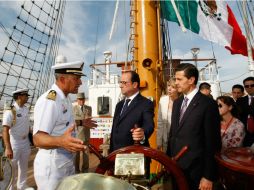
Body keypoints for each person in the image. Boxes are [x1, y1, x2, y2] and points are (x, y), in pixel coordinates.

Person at [33, 55, 97, 190]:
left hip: (65, 162)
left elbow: (63, 124)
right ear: (62, 79)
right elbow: (37, 139)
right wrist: (61, 141)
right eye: (76, 78)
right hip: (52, 167)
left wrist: (80, 122)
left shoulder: (65, 98)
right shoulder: (50, 100)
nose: (80, 82)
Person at [167, 63, 221, 190]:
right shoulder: (177, 102)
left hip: (197, 170)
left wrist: (208, 176)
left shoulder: (208, 104)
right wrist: (168, 161)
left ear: (191, 80)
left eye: (179, 79)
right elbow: (173, 134)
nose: (176, 83)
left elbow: (212, 142)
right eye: (175, 79)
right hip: (176, 166)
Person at [110, 70, 154, 152]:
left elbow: (149, 125)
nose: (120, 85)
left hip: (135, 155)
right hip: (116, 155)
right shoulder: (119, 105)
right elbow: (114, 130)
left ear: (135, 85)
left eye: (124, 83)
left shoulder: (146, 103)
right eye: (120, 82)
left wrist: (142, 133)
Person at [2, 88, 31, 190]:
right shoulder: (10, 111)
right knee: (11, 168)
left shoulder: (26, 109)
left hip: (25, 142)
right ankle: (10, 187)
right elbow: (5, 130)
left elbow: (28, 126)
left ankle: (22, 186)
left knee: (24, 166)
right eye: (25, 96)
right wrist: (8, 147)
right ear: (19, 97)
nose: (27, 97)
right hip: (14, 143)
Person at [157, 79, 181, 152]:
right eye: (168, 86)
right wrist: (159, 141)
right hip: (165, 139)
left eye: (173, 87)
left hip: (179, 140)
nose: (169, 89)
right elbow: (160, 122)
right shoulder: (163, 100)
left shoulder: (182, 102)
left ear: (178, 89)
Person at [72, 92, 93, 173]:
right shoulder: (73, 109)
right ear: (77, 100)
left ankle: (85, 170)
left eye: (83, 99)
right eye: (80, 99)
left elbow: (88, 119)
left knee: (86, 154)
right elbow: (74, 120)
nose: (82, 101)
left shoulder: (89, 108)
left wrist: (82, 119)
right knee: (76, 155)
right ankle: (76, 170)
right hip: (77, 135)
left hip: (86, 134)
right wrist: (84, 119)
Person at [236, 77, 254, 147]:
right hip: (244, 135)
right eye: (247, 86)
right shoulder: (240, 101)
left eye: (252, 85)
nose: (249, 87)